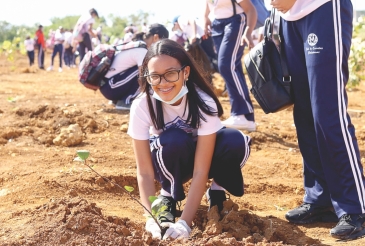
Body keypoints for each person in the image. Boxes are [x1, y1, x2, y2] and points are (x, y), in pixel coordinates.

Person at [127, 38, 251, 240]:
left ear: (185, 72)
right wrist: (150, 217)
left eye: (171, 74)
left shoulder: (203, 102)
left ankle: (217, 191)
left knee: (234, 140)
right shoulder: (143, 105)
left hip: (204, 158)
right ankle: (167, 195)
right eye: (155, 76)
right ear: (147, 77)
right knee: (174, 140)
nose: (163, 83)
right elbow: (145, 172)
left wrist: (185, 223)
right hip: (172, 158)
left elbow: (201, 169)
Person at [271, 0, 365, 241]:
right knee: (304, 113)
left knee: (327, 112)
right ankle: (319, 198)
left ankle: (355, 207)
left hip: (322, 8)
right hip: (287, 18)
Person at [203, 0, 257, 131]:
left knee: (226, 65)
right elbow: (207, 9)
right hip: (217, 25)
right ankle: (247, 119)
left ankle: (240, 113)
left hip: (235, 22)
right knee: (233, 68)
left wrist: (248, 32)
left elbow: (251, 10)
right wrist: (205, 19)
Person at [101, 23, 169, 110]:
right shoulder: (142, 50)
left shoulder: (137, 44)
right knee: (144, 73)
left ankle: (118, 99)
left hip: (109, 86)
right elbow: (143, 78)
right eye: (161, 42)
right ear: (155, 37)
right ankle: (126, 102)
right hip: (110, 87)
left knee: (144, 71)